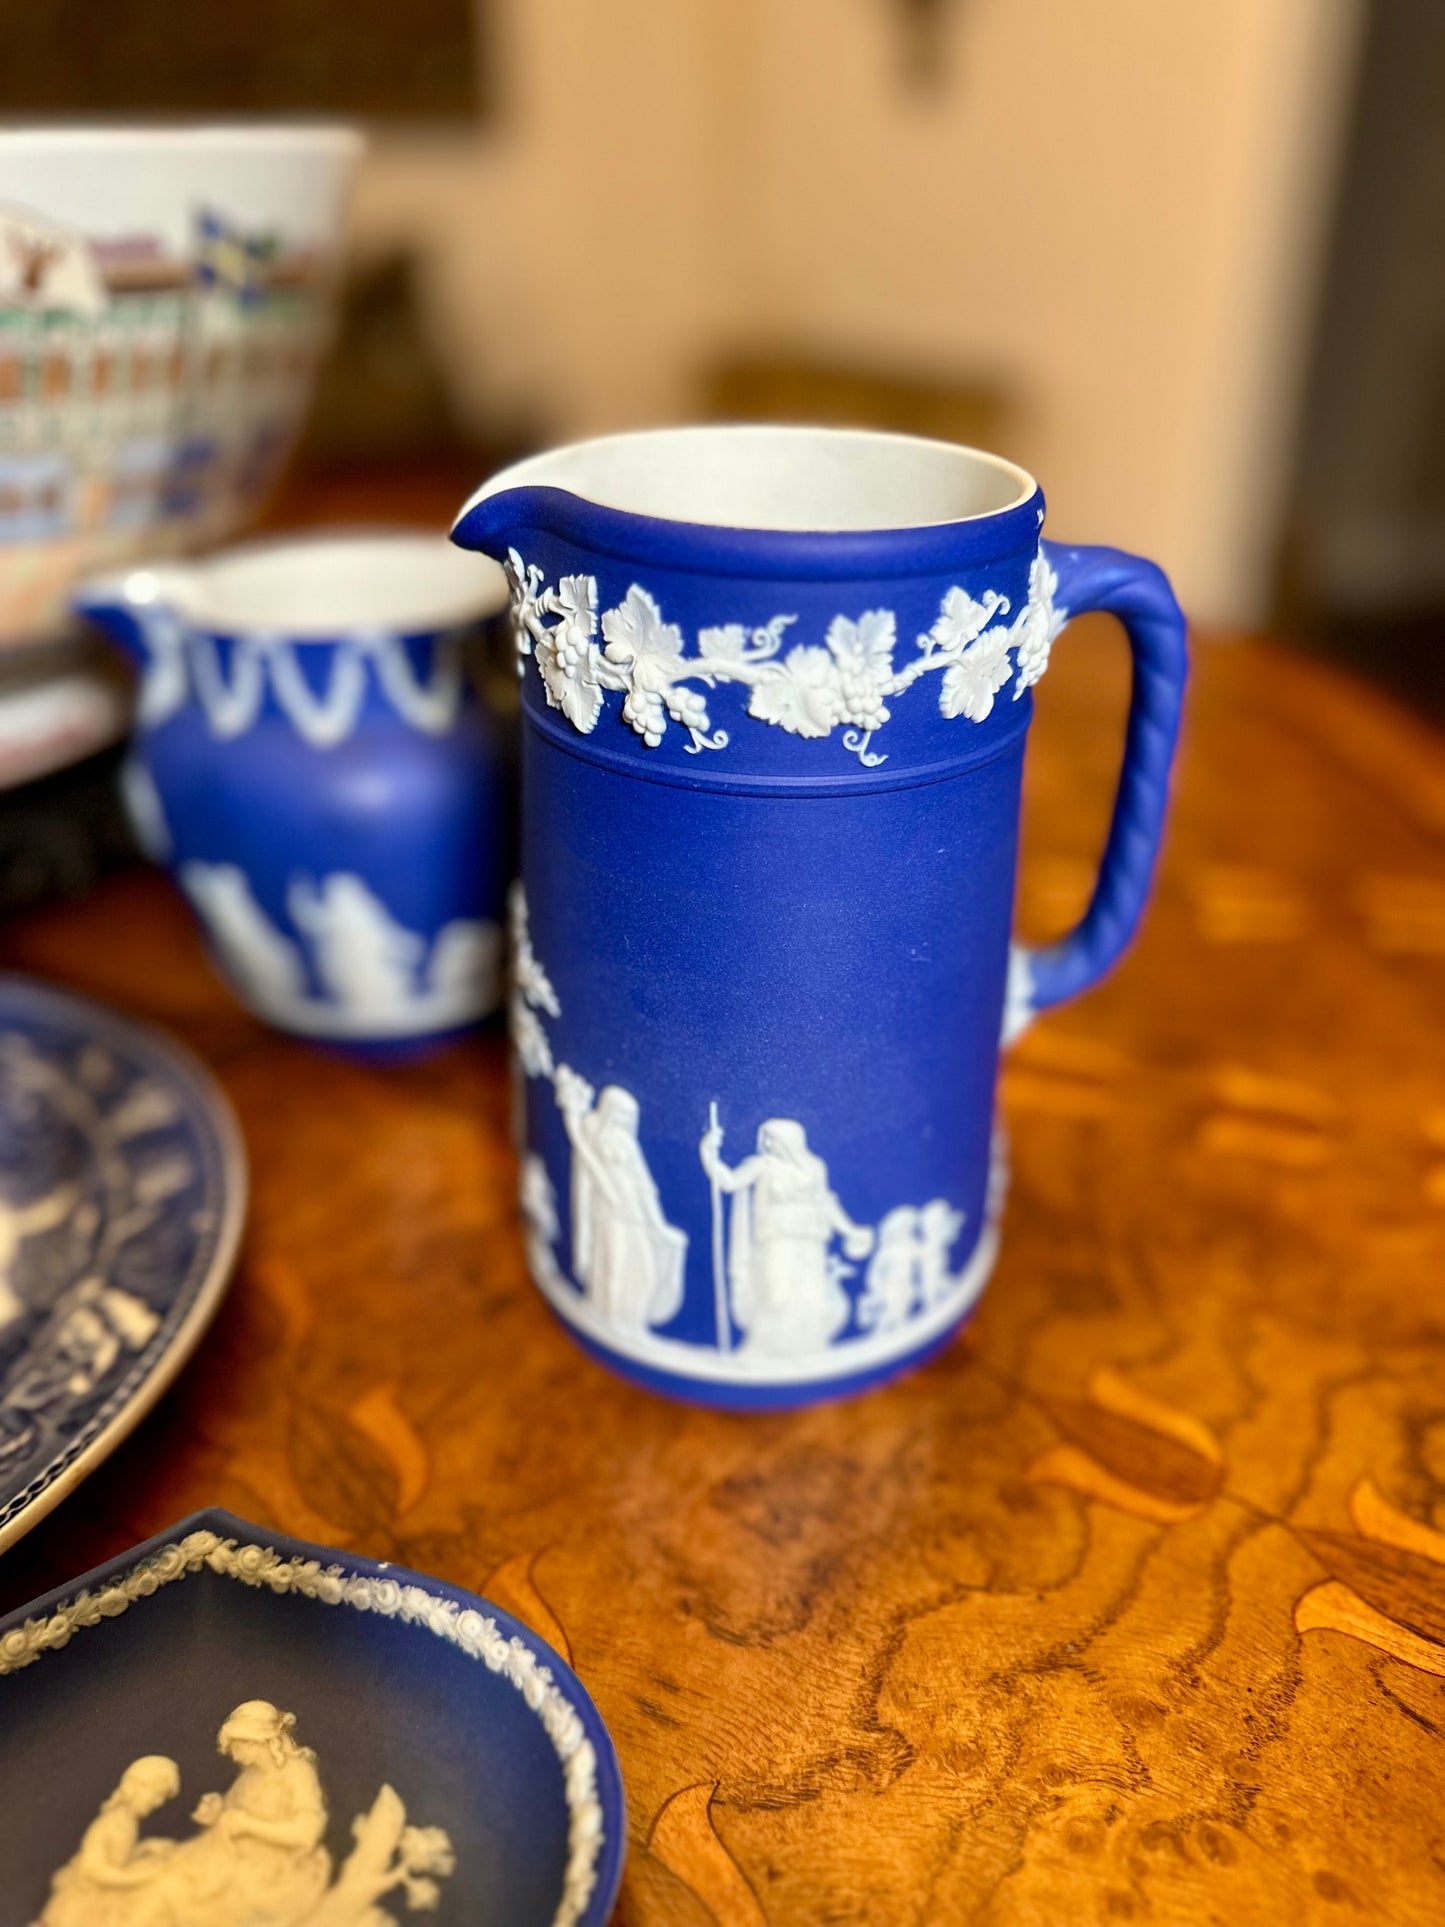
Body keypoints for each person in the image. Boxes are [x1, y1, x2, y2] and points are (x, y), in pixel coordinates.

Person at [699, 1117, 874, 1357]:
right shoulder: (762, 1165)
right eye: (766, 1139)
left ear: (790, 1142)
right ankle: (768, 1346)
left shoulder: (815, 1167)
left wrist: (849, 1230)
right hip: (775, 1236)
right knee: (774, 1290)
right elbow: (730, 1182)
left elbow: (825, 1202)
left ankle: (805, 1347)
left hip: (810, 1236)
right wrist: (708, 1154)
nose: (768, 1144)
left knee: (809, 1291)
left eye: (773, 1139)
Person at [555, 1072, 686, 1337]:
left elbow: (644, 1185)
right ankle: (610, 1319)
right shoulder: (593, 1127)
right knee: (614, 1263)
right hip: (609, 1210)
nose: (625, 1122)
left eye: (629, 1118)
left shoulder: (626, 1141)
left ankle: (630, 1323)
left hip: (632, 1210)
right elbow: (587, 1159)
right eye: (621, 1115)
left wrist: (658, 1225)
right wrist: (571, 1117)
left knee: (644, 1270)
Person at [39, 1754, 180, 1927]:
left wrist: (144, 1848)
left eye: (162, 1798)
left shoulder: (129, 1823)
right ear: (133, 1787)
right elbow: (94, 1870)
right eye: (157, 1794)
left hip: (103, 1895)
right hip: (85, 1902)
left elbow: (117, 1859)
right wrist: (141, 1876)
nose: (158, 1803)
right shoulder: (107, 1825)